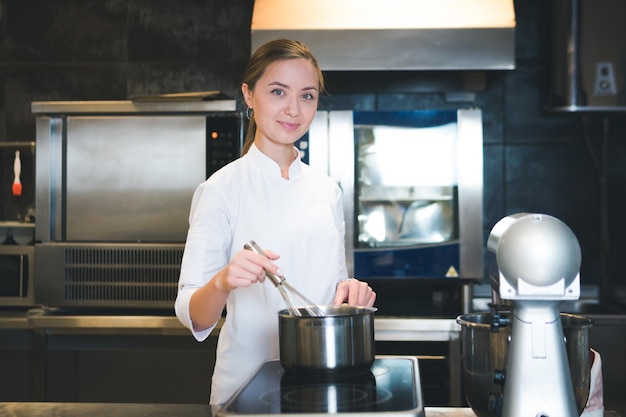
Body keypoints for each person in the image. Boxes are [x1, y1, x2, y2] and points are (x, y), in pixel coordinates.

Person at [174, 38, 377, 405]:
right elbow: (194, 316)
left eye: (307, 96)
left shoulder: (327, 190)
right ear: (249, 95)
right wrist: (223, 281)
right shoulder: (221, 190)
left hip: (325, 387)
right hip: (245, 393)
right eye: (278, 92)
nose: (293, 110)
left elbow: (334, 287)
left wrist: (351, 295)